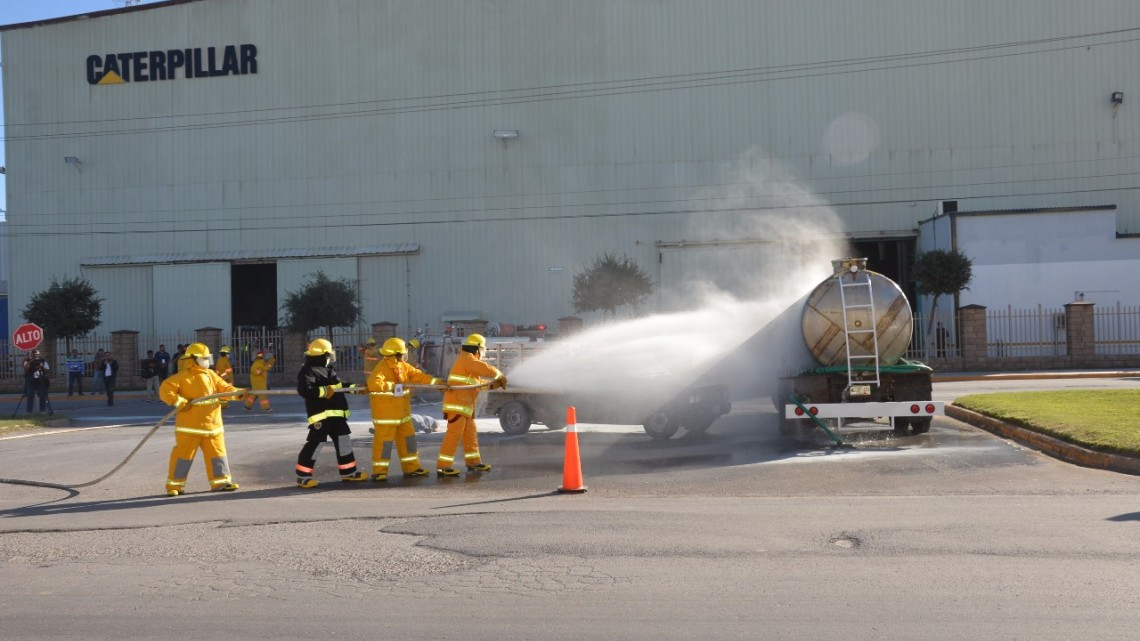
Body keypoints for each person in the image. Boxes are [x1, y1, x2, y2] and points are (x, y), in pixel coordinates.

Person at [159, 342, 241, 496]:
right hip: (190, 428)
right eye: (203, 358)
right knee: (183, 457)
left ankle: (221, 482)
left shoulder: (211, 375)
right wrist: (181, 403)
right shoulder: (183, 377)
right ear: (192, 359)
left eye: (207, 358)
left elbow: (225, 389)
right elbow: (165, 390)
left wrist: (238, 393)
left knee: (218, 455)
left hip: (213, 427)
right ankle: (175, 486)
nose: (206, 361)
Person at [295, 338, 368, 488]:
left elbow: (339, 386)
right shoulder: (307, 370)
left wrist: (356, 388)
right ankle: (303, 476)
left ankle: (349, 472)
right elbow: (305, 390)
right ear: (323, 356)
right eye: (329, 355)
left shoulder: (329, 371)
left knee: (344, 442)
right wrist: (323, 391)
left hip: (337, 416)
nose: (330, 359)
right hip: (321, 416)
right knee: (315, 444)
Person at [366, 338, 442, 481]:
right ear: (397, 354)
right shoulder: (382, 367)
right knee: (384, 445)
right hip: (386, 417)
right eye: (403, 353)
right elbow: (373, 383)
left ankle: (411, 468)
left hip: (403, 415)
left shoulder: (404, 366)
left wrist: (437, 382)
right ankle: (379, 472)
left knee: (409, 441)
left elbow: (419, 376)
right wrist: (393, 386)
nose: (405, 355)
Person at [436, 334, 506, 477]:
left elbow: (476, 386)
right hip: (457, 406)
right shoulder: (467, 359)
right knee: (453, 435)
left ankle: (473, 462)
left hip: (465, 407)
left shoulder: (468, 363)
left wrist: (493, 385)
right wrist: (499, 375)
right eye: (482, 350)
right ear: (477, 349)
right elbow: (483, 368)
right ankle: (443, 467)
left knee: (470, 435)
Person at [22, 349, 51, 415]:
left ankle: (42, 411)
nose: (35, 356)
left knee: (42, 395)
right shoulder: (28, 361)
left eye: (37, 354)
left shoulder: (43, 361)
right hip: (31, 381)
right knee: (30, 396)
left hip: (40, 381)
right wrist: (30, 361)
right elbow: (25, 369)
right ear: (32, 354)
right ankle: (29, 412)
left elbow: (47, 370)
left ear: (39, 354)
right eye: (34, 354)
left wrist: (41, 367)